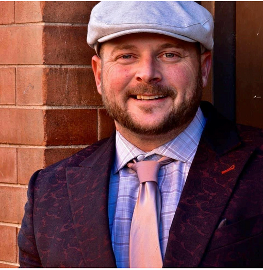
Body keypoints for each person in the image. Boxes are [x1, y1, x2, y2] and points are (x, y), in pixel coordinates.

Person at [18, 1, 263, 268]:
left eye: (169, 54)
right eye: (126, 56)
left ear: (203, 69)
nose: (147, 74)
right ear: (98, 74)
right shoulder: (48, 192)